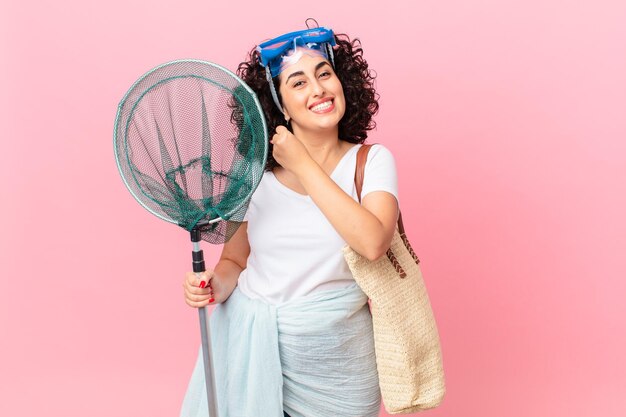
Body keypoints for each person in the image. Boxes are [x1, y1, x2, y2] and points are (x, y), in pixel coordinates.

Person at [180, 23, 399, 417]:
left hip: (340, 372)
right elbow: (233, 262)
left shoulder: (372, 162)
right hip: (249, 356)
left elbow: (373, 243)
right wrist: (214, 284)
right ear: (277, 105)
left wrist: (302, 163)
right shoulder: (252, 180)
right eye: (298, 83)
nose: (318, 90)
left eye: (325, 74)